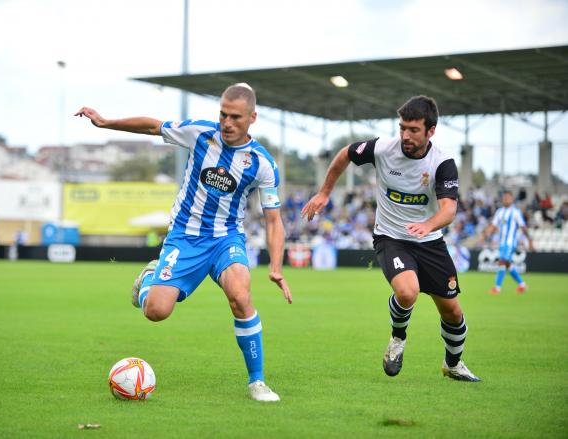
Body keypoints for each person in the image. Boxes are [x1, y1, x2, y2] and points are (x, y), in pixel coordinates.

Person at [75, 83, 292, 401]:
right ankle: (150, 278)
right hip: (185, 237)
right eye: (223, 114)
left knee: (241, 296)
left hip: (225, 239)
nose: (227, 123)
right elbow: (153, 126)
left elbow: (274, 220)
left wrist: (276, 267)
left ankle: (256, 382)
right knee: (156, 312)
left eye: (235, 117)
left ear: (252, 118)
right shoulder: (200, 134)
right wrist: (107, 122)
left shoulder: (261, 163)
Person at [302, 96, 480, 382]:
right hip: (391, 237)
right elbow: (346, 153)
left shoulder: (442, 162)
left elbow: (449, 210)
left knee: (452, 311)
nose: (405, 136)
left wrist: (428, 224)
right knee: (407, 292)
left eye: (413, 130)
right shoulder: (383, 148)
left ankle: (453, 364)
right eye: (402, 128)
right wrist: (324, 192)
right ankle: (398, 339)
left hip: (430, 241)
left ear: (430, 131)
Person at [481, 190, 534, 294]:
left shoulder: (516, 212)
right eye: (504, 198)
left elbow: (523, 227)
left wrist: (530, 240)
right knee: (508, 264)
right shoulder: (499, 212)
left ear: (512, 199)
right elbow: (493, 225)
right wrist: (485, 234)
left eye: (508, 198)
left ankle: (497, 288)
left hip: (511, 243)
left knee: (502, 261)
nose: (505, 199)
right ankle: (522, 285)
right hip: (502, 243)